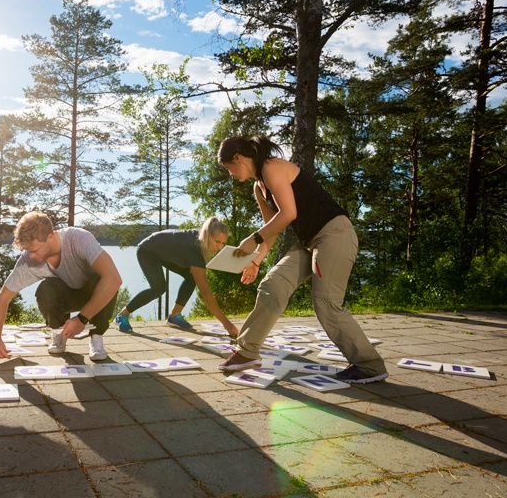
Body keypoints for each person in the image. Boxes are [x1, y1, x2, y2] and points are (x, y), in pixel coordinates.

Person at [216, 135, 388, 384]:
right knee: (272, 286)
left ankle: (370, 365)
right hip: (308, 243)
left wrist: (253, 239)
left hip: (334, 234)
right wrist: (255, 261)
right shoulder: (258, 187)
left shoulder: (272, 167)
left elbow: (289, 214)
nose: (229, 173)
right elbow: (271, 229)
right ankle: (246, 352)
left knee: (326, 302)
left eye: (227, 167)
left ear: (237, 158)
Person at [0, 211, 122, 361]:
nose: (31, 256)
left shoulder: (78, 238)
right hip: (68, 297)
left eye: (34, 250)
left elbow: (114, 279)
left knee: (104, 279)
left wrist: (81, 319)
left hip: (92, 294)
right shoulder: (29, 260)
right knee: (46, 289)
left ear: (50, 237)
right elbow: (3, 298)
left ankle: (96, 337)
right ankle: (59, 334)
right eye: (27, 251)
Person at [113, 217, 239, 336]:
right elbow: (206, 293)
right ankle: (122, 315)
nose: (219, 247)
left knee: (191, 277)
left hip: (164, 252)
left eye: (223, 243)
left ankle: (174, 316)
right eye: (217, 241)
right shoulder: (195, 249)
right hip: (148, 250)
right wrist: (227, 324)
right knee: (159, 288)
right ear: (207, 236)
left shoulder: (201, 241)